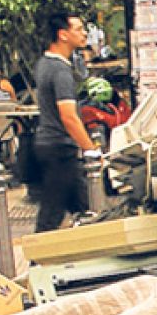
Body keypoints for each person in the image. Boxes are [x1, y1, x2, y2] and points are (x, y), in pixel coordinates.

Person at [32, 13, 101, 233]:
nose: (84, 34)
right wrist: (90, 148)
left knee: (88, 209)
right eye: (79, 29)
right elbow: (68, 116)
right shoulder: (60, 70)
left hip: (53, 147)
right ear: (63, 35)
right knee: (51, 216)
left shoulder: (44, 63)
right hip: (58, 149)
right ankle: (38, 261)